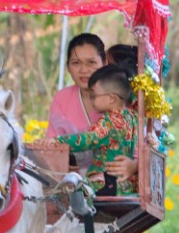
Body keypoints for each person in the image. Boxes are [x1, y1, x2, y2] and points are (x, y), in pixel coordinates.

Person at [55, 65, 139, 196]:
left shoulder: (110, 122)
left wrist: (57, 141)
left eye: (94, 95)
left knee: (68, 196)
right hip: (124, 185)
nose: (91, 100)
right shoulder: (132, 117)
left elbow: (87, 140)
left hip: (106, 184)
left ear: (112, 98)